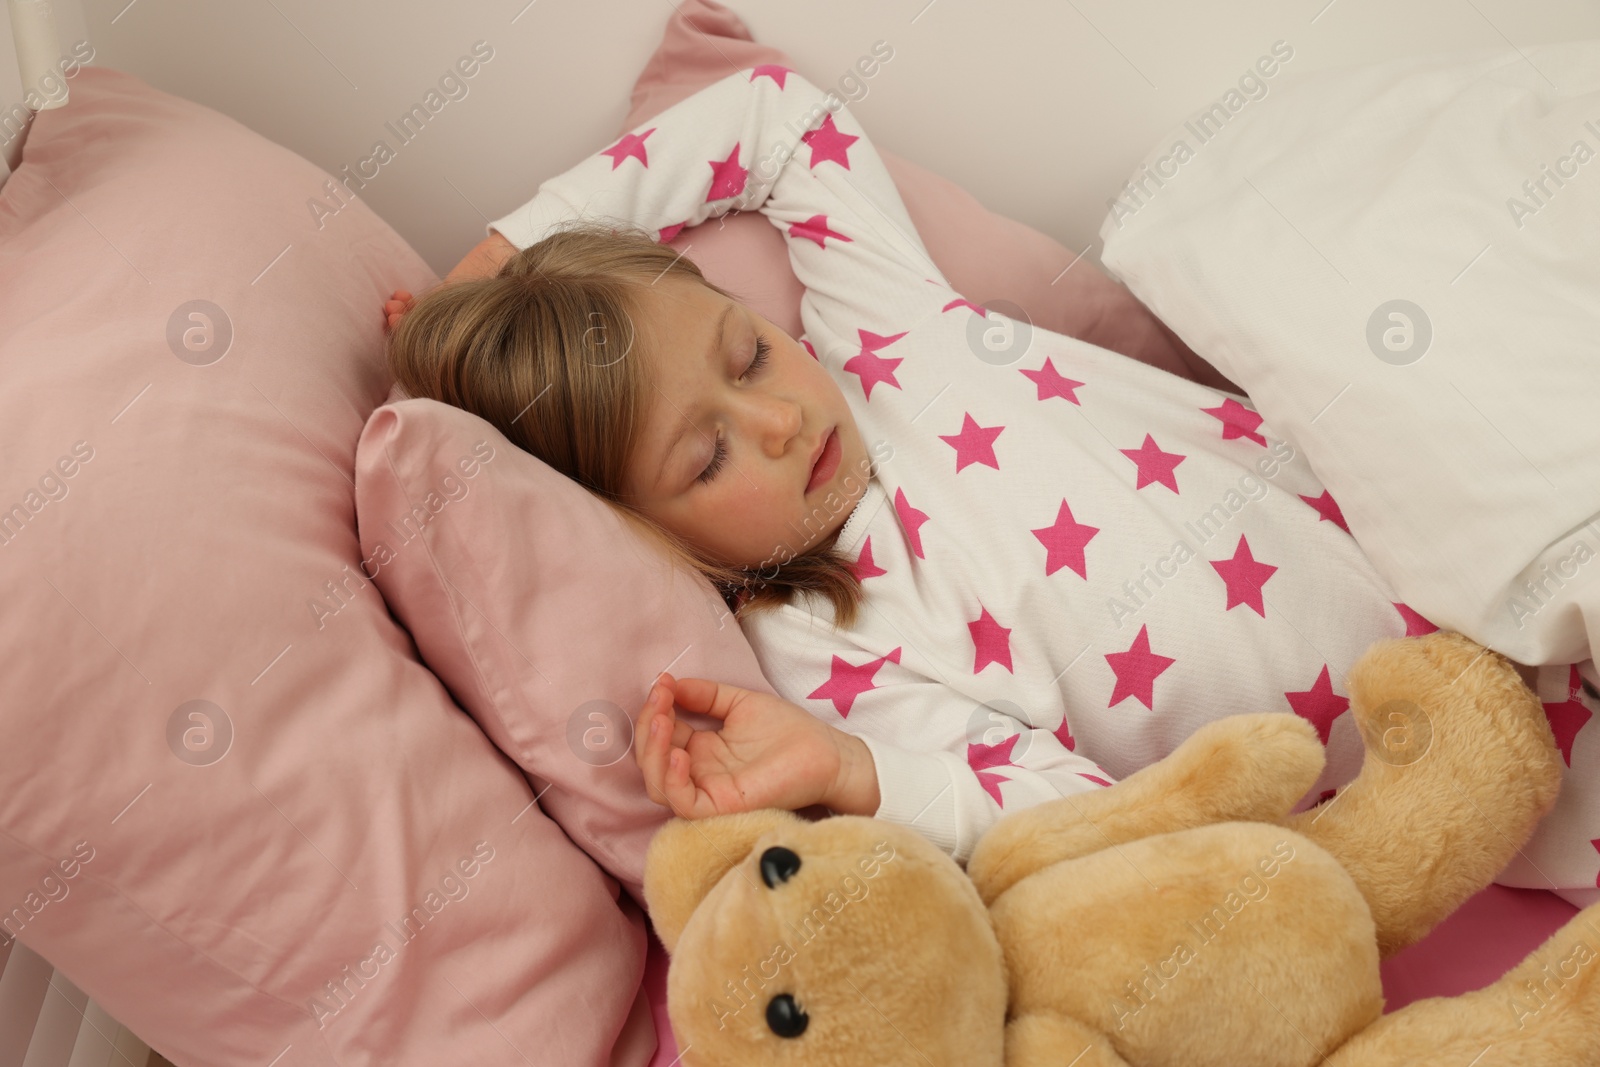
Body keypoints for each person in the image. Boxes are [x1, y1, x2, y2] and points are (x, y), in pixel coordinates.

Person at [382, 66, 1590, 883]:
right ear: (650, 533)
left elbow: (776, 118)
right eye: (703, 456)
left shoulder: (883, 334)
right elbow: (1069, 819)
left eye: (749, 351)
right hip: (1428, 780)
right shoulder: (828, 646)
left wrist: (501, 253)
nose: (771, 416)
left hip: (1444, 518)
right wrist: (859, 775)